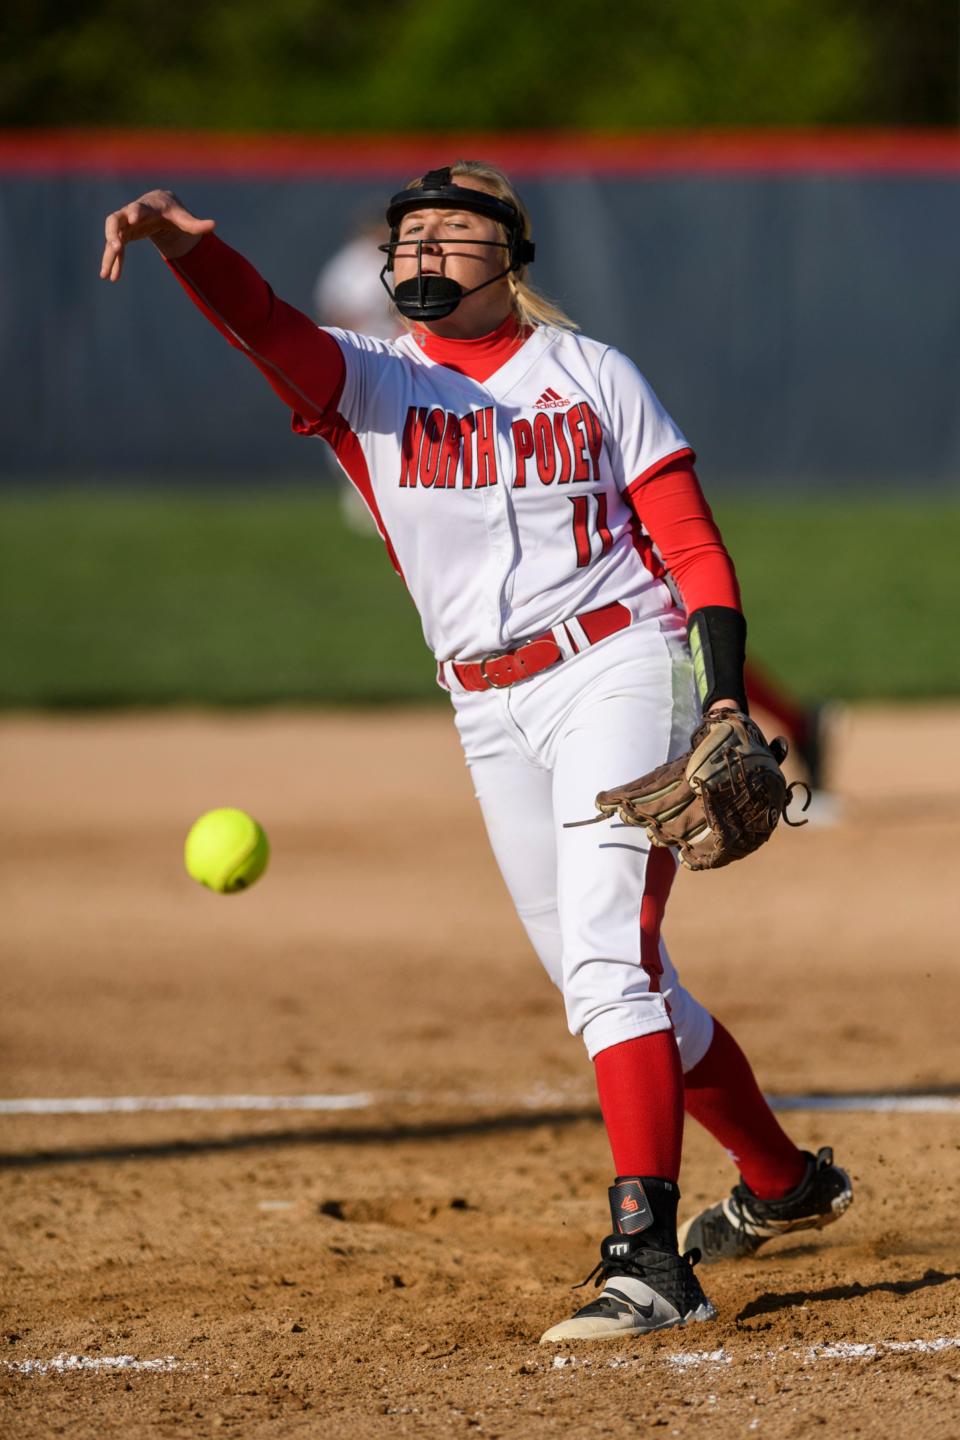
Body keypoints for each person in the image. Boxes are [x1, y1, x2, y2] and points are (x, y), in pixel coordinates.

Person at [100, 163, 853, 1344]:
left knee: (609, 960)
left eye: (455, 236)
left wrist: (717, 705)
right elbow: (263, 323)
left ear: (510, 259)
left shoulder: (593, 374)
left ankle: (649, 1260)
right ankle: (780, 1180)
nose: (423, 254)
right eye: (410, 238)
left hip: (620, 662)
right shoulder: (370, 380)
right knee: (608, 981)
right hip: (487, 706)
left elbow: (693, 551)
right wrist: (190, 248)